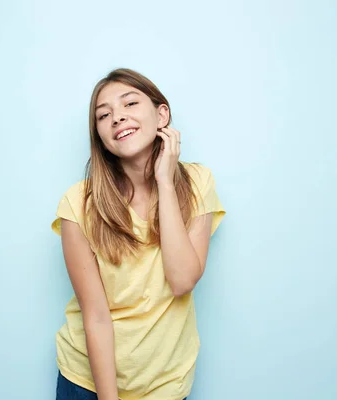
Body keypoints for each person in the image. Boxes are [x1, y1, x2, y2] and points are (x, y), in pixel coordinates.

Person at [51, 68, 226, 400]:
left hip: (165, 383)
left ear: (162, 114)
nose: (117, 117)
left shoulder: (198, 183)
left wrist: (164, 179)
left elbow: (182, 281)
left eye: (130, 103)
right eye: (104, 115)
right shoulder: (77, 204)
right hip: (88, 383)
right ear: (100, 135)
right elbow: (97, 317)